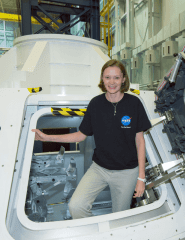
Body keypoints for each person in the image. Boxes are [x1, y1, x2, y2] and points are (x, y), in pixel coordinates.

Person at [32, 59, 152, 219]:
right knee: (76, 206)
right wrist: (47, 138)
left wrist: (141, 177)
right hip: (99, 168)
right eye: (107, 77)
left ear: (123, 79)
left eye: (116, 77)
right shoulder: (96, 104)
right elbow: (80, 135)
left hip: (127, 172)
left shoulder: (134, 103)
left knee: (120, 217)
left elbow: (140, 141)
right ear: (102, 79)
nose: (112, 82)